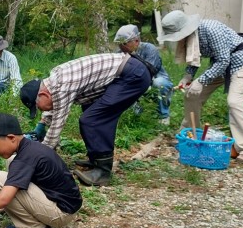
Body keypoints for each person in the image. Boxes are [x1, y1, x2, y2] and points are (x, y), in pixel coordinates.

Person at [19, 51, 151, 186]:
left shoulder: (62, 88)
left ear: (43, 94)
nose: (42, 110)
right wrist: (41, 125)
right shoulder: (54, 82)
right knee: (89, 111)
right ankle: (96, 160)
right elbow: (54, 106)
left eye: (38, 107)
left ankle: (103, 171)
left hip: (133, 76)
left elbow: (56, 127)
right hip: (128, 73)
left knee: (92, 120)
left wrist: (39, 156)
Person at [160, 10, 243, 162]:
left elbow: (223, 60)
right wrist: (188, 77)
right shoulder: (190, 37)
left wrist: (201, 81)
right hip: (220, 67)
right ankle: (190, 134)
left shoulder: (211, 29)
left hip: (242, 62)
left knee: (234, 102)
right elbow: (195, 58)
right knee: (192, 94)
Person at [0, 113, 83, 228]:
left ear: (11, 138)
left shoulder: (25, 158)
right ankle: (35, 219)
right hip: (67, 205)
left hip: (61, 213)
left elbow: (3, 199)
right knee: (11, 162)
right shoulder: (31, 147)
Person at [113, 24, 173, 125]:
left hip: (154, 79)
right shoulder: (119, 53)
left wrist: (134, 56)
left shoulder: (150, 49)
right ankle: (137, 116)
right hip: (133, 82)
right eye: (119, 43)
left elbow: (151, 70)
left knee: (159, 83)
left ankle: (164, 116)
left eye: (124, 43)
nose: (121, 46)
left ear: (136, 41)